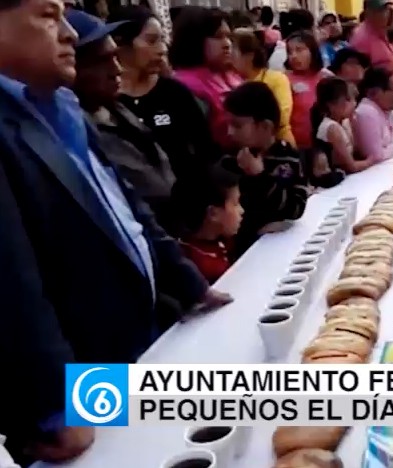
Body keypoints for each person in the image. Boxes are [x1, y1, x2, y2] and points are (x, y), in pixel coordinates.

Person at [0, 1, 231, 462]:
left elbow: (126, 207)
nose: (68, 33)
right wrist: (56, 408)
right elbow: (10, 281)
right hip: (78, 377)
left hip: (133, 340)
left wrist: (186, 281)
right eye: (48, 17)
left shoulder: (63, 106)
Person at [70, 10, 177, 227]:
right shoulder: (75, 135)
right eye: (101, 61)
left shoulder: (117, 109)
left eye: (115, 57)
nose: (116, 70)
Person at [111, 6, 220, 181]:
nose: (162, 49)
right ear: (120, 44)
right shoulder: (107, 101)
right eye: (152, 41)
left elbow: (207, 153)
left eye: (163, 40)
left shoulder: (175, 93)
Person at [222, 81, 310, 255]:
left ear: (265, 126)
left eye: (238, 125)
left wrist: (259, 176)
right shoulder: (233, 160)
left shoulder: (287, 158)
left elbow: (295, 207)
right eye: (229, 125)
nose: (230, 132)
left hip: (280, 247)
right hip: (245, 250)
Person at [169, 7, 243, 151]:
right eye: (218, 37)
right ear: (195, 39)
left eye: (229, 37)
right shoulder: (184, 86)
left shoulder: (230, 74)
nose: (227, 44)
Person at [173, 167, 243, 284]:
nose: (241, 210)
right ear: (213, 213)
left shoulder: (222, 240)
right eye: (236, 203)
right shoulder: (198, 266)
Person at [231, 27, 295, 147]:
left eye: (233, 52)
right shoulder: (234, 83)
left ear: (249, 56)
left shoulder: (276, 79)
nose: (230, 57)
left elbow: (282, 116)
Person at [315, 76, 372, 175]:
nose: (353, 104)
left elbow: (357, 150)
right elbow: (351, 166)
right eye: (347, 100)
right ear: (331, 105)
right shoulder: (332, 128)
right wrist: (372, 160)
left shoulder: (344, 123)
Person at [285, 31, 328, 150]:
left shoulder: (326, 77)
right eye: (289, 52)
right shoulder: (284, 80)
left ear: (312, 51)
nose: (293, 56)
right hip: (297, 147)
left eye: (299, 50)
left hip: (327, 145)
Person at [350, 0, 393, 87]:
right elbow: (362, 77)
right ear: (369, 13)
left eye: (387, 9)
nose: (387, 14)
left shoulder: (379, 31)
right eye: (381, 10)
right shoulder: (362, 38)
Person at [354, 67, 393, 163]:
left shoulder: (390, 110)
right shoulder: (367, 112)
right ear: (375, 92)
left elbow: (390, 142)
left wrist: (390, 147)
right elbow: (375, 155)